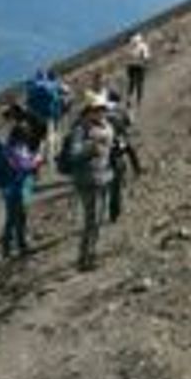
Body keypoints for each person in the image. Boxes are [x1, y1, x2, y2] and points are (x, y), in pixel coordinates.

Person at [62, 92, 115, 271]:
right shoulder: (80, 129)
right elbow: (73, 154)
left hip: (104, 177)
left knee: (100, 218)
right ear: (89, 110)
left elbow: (108, 148)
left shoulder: (107, 125)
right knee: (91, 220)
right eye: (97, 109)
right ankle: (86, 258)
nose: (101, 112)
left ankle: (91, 254)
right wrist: (91, 147)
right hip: (87, 180)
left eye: (103, 108)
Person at [0, 105, 43, 260]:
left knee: (16, 216)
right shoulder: (14, 147)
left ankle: (14, 246)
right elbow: (21, 165)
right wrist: (35, 162)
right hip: (15, 186)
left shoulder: (7, 142)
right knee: (15, 216)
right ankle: (15, 247)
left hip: (11, 186)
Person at [104, 89, 142, 223]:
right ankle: (137, 169)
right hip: (118, 145)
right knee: (130, 150)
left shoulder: (101, 109)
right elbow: (130, 122)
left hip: (102, 149)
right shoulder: (120, 110)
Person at [25, 68, 65, 164]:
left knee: (37, 137)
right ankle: (50, 157)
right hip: (50, 115)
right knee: (50, 136)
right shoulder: (53, 85)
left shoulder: (32, 86)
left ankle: (34, 157)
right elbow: (60, 95)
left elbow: (28, 102)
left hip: (35, 116)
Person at [124, 32, 151, 105]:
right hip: (139, 65)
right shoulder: (143, 45)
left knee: (131, 83)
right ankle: (139, 100)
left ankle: (128, 98)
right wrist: (146, 64)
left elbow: (127, 56)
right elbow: (146, 57)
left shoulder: (129, 44)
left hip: (130, 65)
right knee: (140, 83)